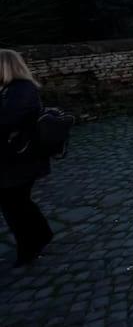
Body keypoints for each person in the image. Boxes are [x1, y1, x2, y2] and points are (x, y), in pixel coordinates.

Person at [0, 50, 53, 267]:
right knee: (18, 203)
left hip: (20, 158)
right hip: (14, 159)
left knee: (14, 205)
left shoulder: (20, 90)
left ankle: (29, 246)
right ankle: (40, 236)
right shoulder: (10, 90)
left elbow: (6, 122)